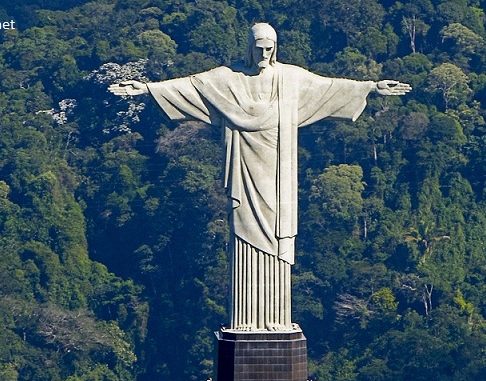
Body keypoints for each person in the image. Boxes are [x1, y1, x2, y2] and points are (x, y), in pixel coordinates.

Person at [110, 23, 410, 331]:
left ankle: (276, 320)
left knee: (277, 238)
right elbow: (190, 86)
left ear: (276, 48)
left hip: (278, 175)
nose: (264, 53)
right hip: (245, 171)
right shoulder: (228, 79)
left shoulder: (291, 78)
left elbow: (330, 87)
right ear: (249, 48)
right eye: (259, 48)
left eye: (269, 48)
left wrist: (371, 87)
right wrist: (147, 88)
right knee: (243, 232)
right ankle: (245, 322)